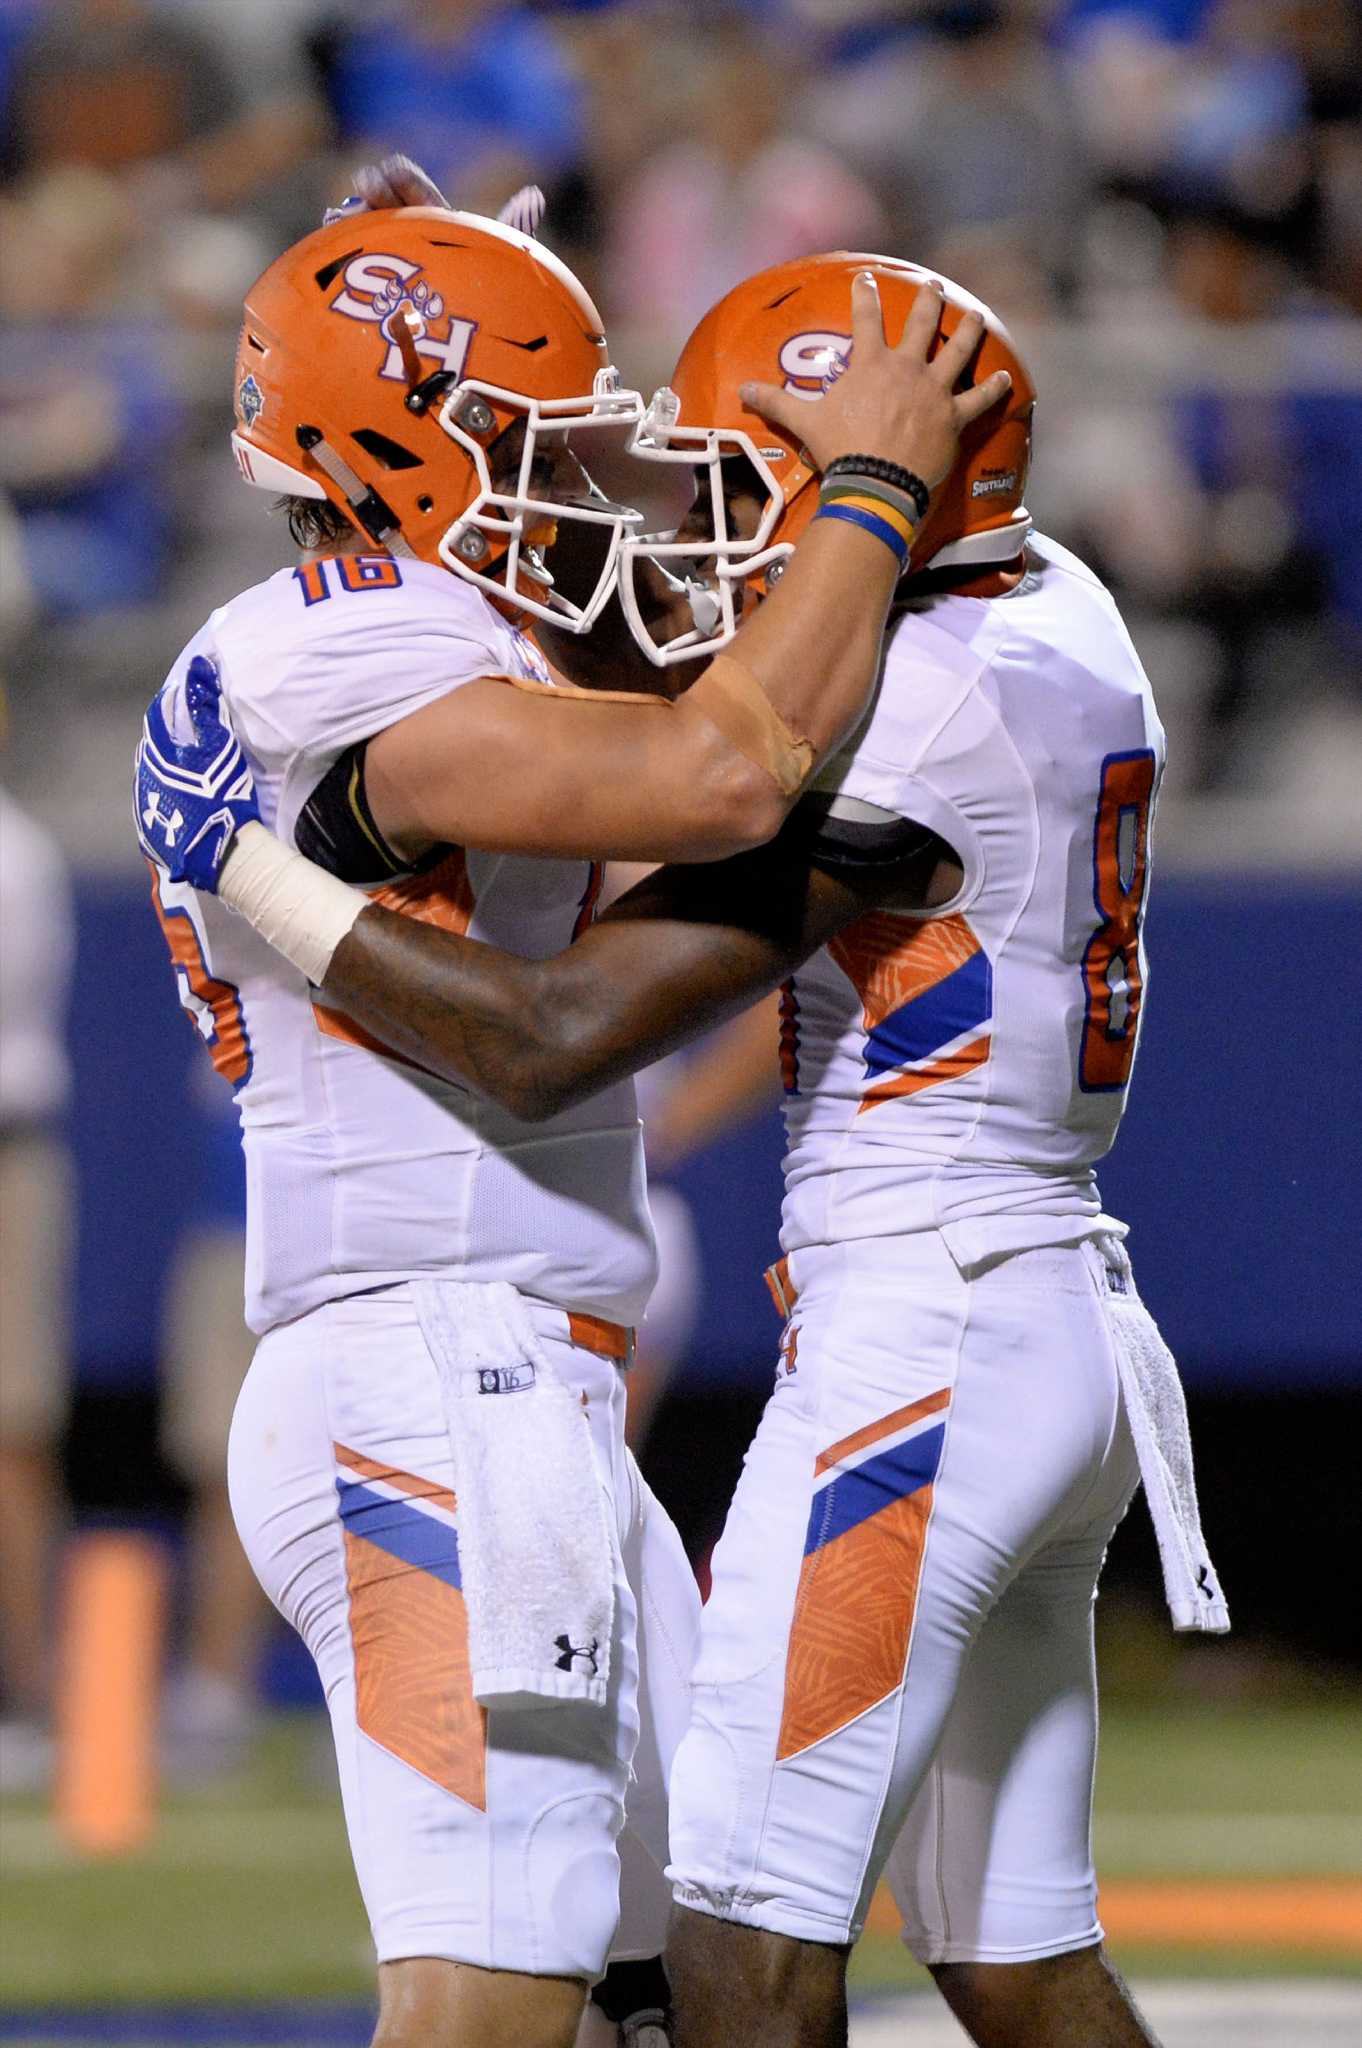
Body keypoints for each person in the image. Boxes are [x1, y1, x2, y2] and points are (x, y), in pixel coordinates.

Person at [152, 245, 1230, 2048]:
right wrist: (869, 495)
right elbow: (699, 776)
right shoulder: (1052, 616)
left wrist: (245, 860)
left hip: (733, 1349)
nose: (656, 511)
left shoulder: (883, 691)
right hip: (439, 1363)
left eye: (747, 492)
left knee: (682, 1984)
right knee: (556, 1980)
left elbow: (607, 931)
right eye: (542, 437)